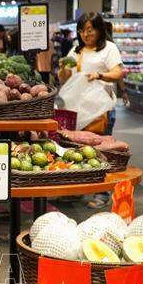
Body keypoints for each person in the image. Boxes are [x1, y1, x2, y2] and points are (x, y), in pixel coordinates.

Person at [59, 12, 124, 209]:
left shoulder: (109, 48)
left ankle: (102, 193)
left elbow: (118, 72)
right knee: (76, 150)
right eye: (82, 30)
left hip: (101, 109)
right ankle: (77, 189)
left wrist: (100, 75)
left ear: (99, 30)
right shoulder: (76, 50)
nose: (85, 34)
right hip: (79, 109)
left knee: (102, 150)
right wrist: (62, 69)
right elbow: (65, 79)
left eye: (89, 30)